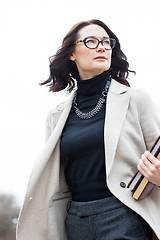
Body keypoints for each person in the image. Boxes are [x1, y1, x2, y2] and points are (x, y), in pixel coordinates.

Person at [16, 19, 160, 240]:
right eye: (91, 41)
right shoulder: (56, 115)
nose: (101, 47)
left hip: (124, 214)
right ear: (72, 53)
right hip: (75, 220)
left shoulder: (135, 99)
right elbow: (57, 176)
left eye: (106, 42)